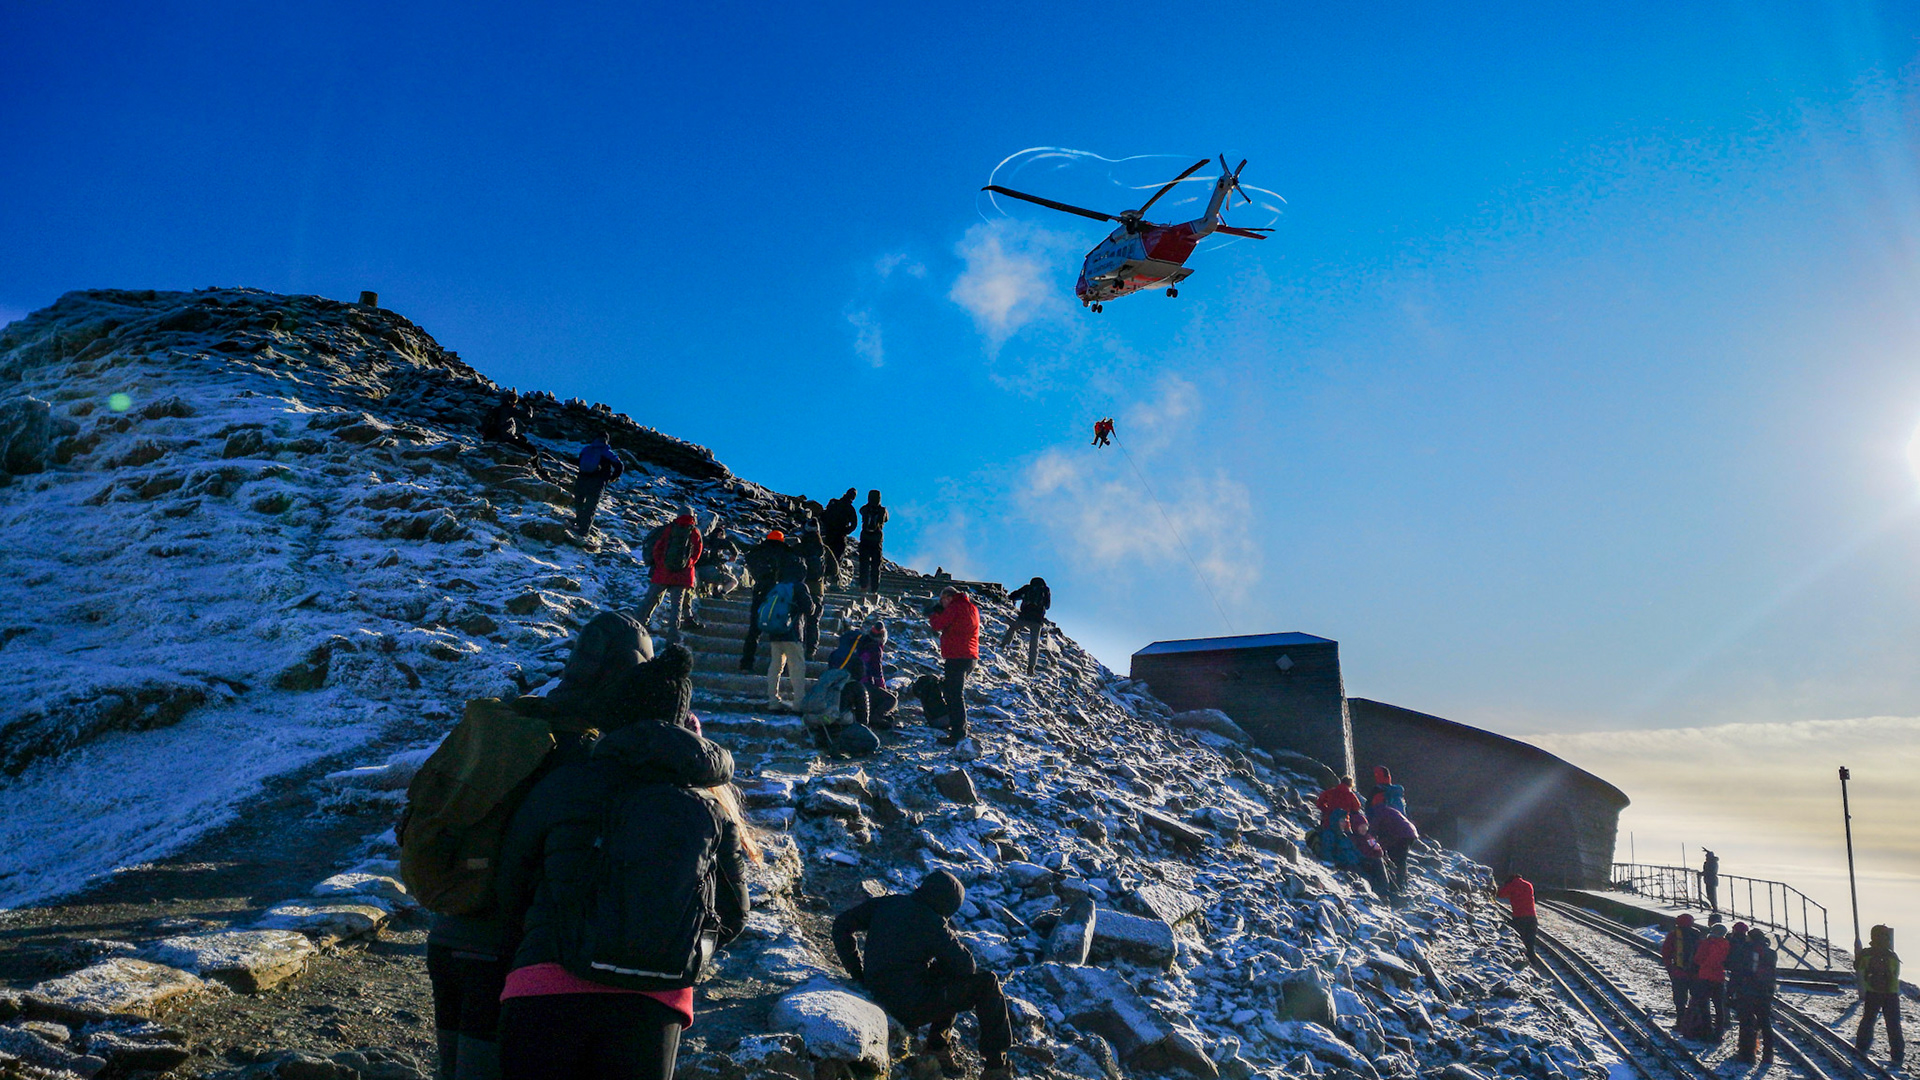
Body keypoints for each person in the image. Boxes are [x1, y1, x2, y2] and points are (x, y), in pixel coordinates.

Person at [493, 648, 755, 1080]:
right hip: (654, 1002)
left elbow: (510, 883)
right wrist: (678, 947)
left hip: (546, 984)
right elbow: (733, 915)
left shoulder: (567, 783)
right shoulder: (709, 810)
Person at [832, 872, 1013, 1080]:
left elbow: (841, 925)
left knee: (941, 971)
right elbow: (966, 967)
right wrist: (946, 932)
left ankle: (939, 1047)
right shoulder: (932, 923)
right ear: (948, 906)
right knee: (987, 984)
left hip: (875, 989)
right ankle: (994, 1067)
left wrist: (858, 973)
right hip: (909, 1007)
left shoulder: (888, 903)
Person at [636, 507, 703, 644]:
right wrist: (687, 565)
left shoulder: (669, 528)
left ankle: (638, 624)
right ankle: (673, 635)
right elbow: (697, 553)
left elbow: (658, 548)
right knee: (676, 606)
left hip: (663, 572)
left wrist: (661, 564)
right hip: (682, 576)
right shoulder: (694, 531)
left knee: (650, 599)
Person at [927, 587, 979, 747]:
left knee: (955, 695)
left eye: (942, 600)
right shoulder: (972, 607)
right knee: (952, 692)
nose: (941, 603)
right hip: (970, 656)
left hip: (957, 656)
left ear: (949, 597)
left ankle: (958, 733)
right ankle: (955, 726)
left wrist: (934, 613)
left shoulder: (955, 607)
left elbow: (937, 625)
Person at [763, 571, 816, 711]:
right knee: (797, 668)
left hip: (775, 632)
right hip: (792, 634)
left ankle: (772, 701)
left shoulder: (779, 586)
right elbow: (809, 609)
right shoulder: (799, 587)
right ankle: (798, 703)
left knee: (775, 667)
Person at [738, 530, 790, 672]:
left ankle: (746, 664)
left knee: (754, 630)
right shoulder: (785, 552)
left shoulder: (758, 551)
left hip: (760, 591)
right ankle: (779, 668)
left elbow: (749, 560)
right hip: (778, 593)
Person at [1854, 924, 1904, 1067]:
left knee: (1868, 1020)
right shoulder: (1892, 955)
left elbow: (1858, 967)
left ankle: (1861, 1048)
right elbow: (1896, 973)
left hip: (1873, 991)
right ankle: (1897, 1056)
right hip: (1891, 993)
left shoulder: (1866, 954)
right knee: (1894, 1024)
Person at [1730, 926, 1777, 1065]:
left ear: (1750, 938)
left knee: (1746, 1022)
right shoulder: (1771, 953)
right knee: (1765, 1022)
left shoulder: (1744, 951)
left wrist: (1730, 991)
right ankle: (1768, 1054)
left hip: (1747, 991)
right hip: (1765, 991)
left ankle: (1747, 1053)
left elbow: (1737, 972)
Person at [572, 434, 623, 536]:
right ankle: (584, 530)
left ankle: (578, 522)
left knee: (579, 501)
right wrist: (611, 478)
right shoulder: (606, 451)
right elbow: (619, 465)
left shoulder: (586, 449)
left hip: (582, 479)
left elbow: (579, 462)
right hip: (597, 482)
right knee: (590, 505)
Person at [1365, 797, 1419, 894]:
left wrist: (1370, 843)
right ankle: (1401, 882)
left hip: (1401, 835)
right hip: (1410, 833)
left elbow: (1373, 830)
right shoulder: (1388, 810)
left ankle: (1398, 884)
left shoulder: (1378, 812)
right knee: (1401, 860)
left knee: (1398, 859)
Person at [999, 577, 1051, 675]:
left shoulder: (1027, 588)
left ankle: (1003, 645)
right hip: (1037, 620)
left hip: (1024, 617)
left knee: (1012, 629)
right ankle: (1031, 667)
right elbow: (1047, 606)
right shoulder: (1045, 590)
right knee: (1034, 644)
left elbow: (1013, 596)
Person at [1690, 923, 1731, 1038]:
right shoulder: (1726, 944)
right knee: (1719, 1006)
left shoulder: (1706, 943)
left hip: (1705, 976)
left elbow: (1698, 959)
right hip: (1719, 977)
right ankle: (1719, 1031)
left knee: (1704, 1004)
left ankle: (1707, 1030)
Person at [798, 522, 834, 656]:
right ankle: (811, 651)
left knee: (797, 620)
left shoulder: (798, 548)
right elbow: (834, 570)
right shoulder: (824, 549)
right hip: (817, 591)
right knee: (813, 622)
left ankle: (796, 651)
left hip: (799, 588)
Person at [1662, 914, 1703, 1028]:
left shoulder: (1673, 935)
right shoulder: (1697, 934)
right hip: (1695, 972)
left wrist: (1670, 968)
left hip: (1679, 972)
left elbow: (1666, 953)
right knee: (1695, 998)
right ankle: (1694, 1022)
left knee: (1680, 999)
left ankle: (1680, 1021)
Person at [1494, 873, 1538, 964]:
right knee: (1530, 942)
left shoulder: (1512, 885)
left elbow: (1500, 894)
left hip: (1520, 917)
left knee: (1520, 941)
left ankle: (1523, 962)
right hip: (1532, 917)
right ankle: (1533, 962)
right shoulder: (1528, 884)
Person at [857, 491, 888, 596]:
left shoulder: (865, 509)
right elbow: (886, 519)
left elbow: (861, 511)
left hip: (865, 539)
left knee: (864, 564)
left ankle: (863, 586)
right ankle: (874, 588)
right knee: (876, 565)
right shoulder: (882, 510)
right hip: (877, 540)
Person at [821, 489, 858, 564]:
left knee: (826, 555)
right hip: (838, 536)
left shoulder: (834, 502)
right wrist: (845, 532)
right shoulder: (850, 508)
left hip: (829, 533)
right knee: (836, 558)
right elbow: (854, 524)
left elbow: (824, 515)